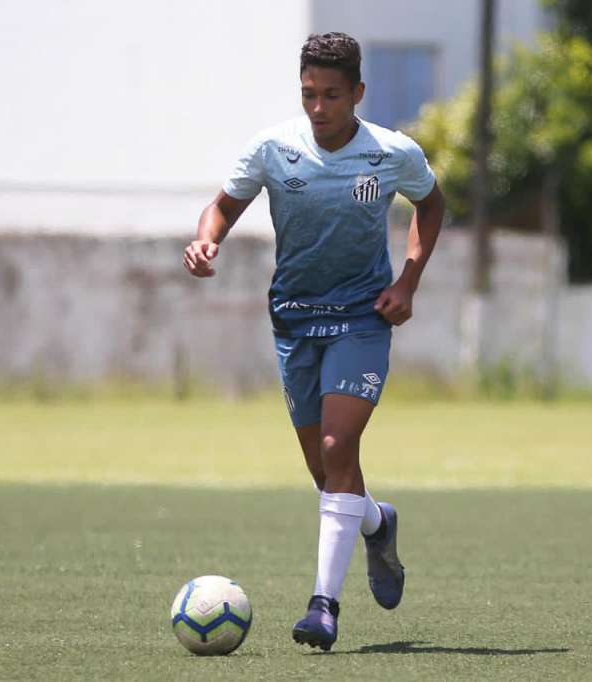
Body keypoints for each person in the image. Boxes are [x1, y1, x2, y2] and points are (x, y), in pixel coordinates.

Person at [183, 32, 445, 651]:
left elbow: (432, 207)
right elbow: (222, 207)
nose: (319, 107)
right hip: (294, 321)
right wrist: (206, 240)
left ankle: (322, 607)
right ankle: (378, 522)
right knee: (326, 470)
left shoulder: (391, 152)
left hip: (361, 317)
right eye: (309, 94)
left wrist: (407, 281)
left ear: (357, 93)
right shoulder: (274, 149)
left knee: (336, 445)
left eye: (331, 95)